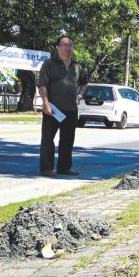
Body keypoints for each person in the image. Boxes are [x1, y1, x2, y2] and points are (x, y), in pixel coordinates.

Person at [37, 35, 88, 177]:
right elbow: (42, 85)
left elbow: (84, 83)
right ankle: (47, 168)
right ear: (58, 47)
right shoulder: (49, 64)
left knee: (67, 141)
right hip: (52, 109)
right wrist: (45, 103)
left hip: (71, 109)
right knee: (48, 139)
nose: (68, 48)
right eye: (65, 45)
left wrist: (79, 95)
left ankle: (64, 167)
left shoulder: (77, 67)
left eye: (70, 45)